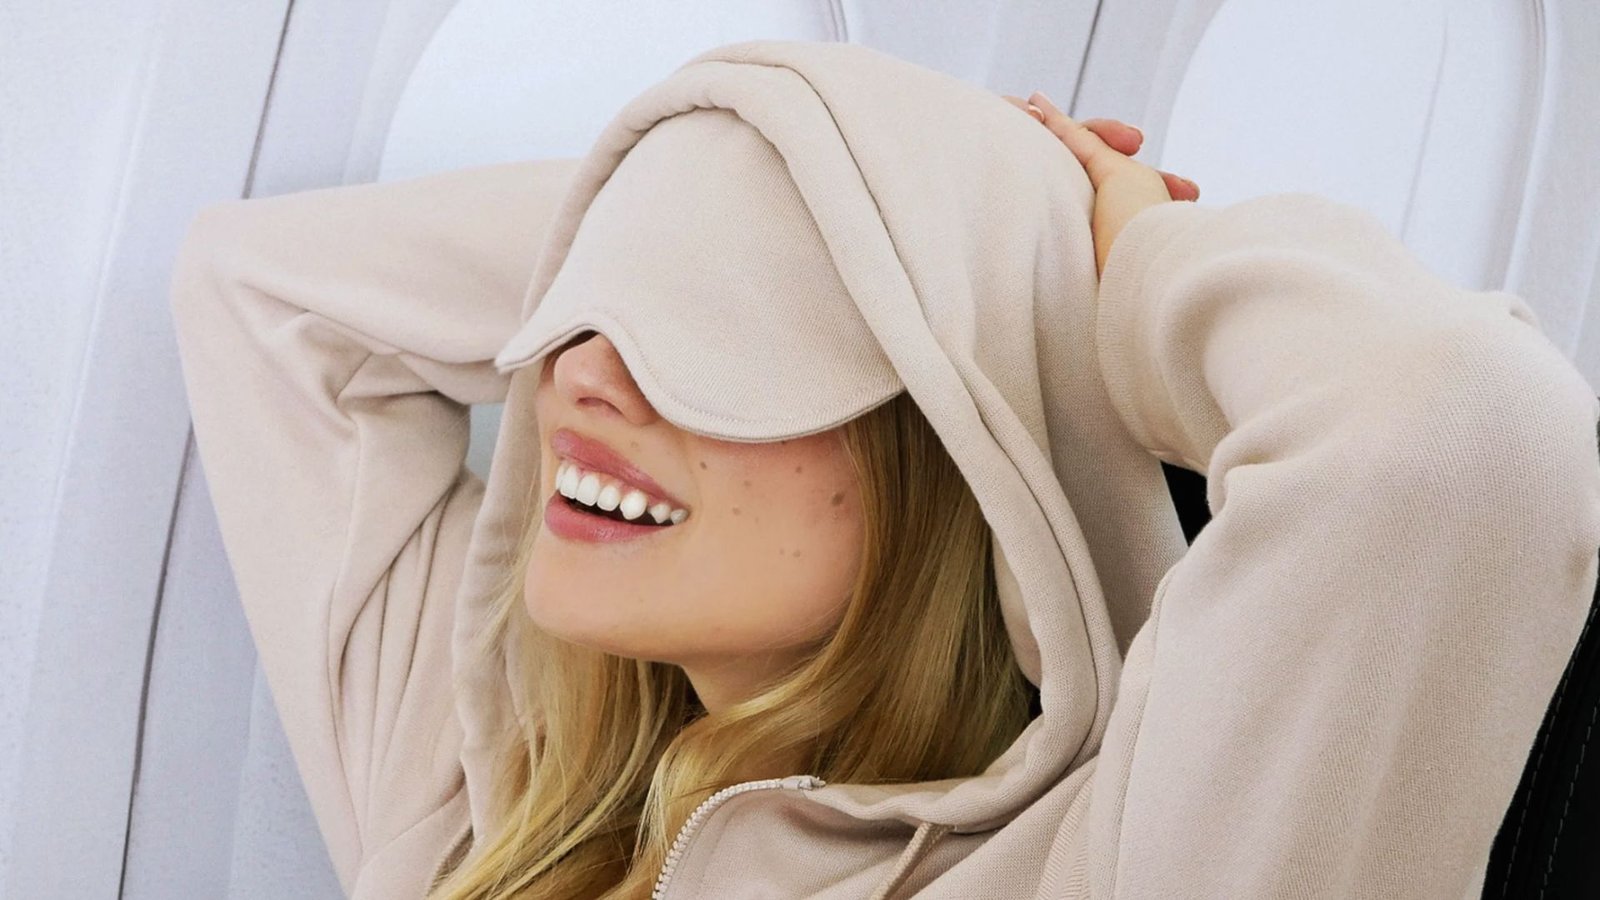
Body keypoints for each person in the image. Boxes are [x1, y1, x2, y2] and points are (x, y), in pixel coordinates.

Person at [167, 39, 1600, 899]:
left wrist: (1067, 265)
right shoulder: (489, 820)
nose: (585, 373)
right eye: (595, 300)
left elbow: (1458, 431)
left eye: (724, 312)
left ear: (954, 444)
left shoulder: (1115, 863)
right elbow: (265, 295)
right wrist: (806, 151)